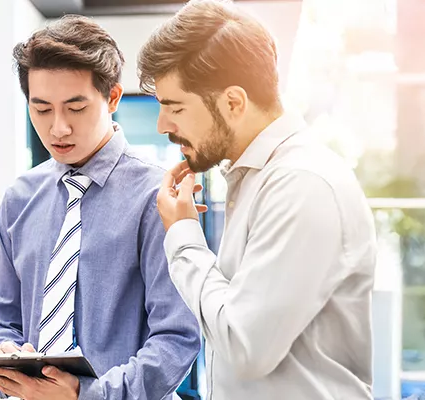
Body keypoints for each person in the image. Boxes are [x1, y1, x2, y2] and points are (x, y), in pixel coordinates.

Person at [138, 1, 378, 399]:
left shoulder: (301, 185)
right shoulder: (254, 180)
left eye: (174, 107)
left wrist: (182, 236)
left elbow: (245, 347)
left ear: (233, 102)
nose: (163, 125)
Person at [0, 15, 202, 400]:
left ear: (113, 97)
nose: (57, 128)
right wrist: (5, 355)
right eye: (42, 109)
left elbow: (177, 338)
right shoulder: (19, 198)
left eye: (75, 107)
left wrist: (86, 394)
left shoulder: (156, 196)